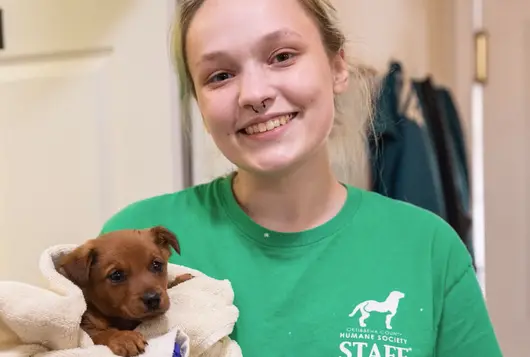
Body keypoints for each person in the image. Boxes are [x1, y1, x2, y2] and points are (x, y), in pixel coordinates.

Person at [100, 0, 503, 356]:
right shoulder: (131, 245)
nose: (254, 94)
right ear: (200, 105)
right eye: (220, 75)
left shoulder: (428, 247)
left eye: (282, 56)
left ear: (337, 67)